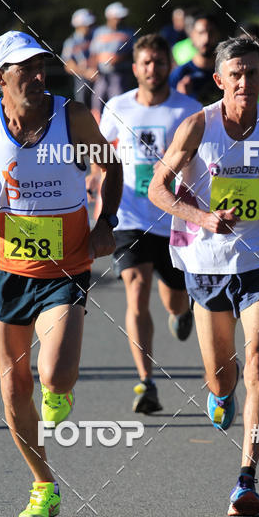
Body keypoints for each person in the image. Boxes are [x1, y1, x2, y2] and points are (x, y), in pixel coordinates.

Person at [149, 36, 259, 516]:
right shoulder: (197, 126)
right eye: (236, 74)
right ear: (219, 80)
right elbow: (157, 189)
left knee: (258, 362)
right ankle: (220, 393)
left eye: (252, 73)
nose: (245, 81)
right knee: (222, 376)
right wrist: (203, 218)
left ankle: (246, 480)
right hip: (206, 262)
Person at [0, 30, 123, 517]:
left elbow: (112, 167)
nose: (35, 74)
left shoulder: (72, 117)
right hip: (7, 269)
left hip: (65, 265)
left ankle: (60, 387)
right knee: (11, 388)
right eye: (23, 67)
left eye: (39, 65)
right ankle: (44, 485)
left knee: (55, 374)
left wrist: (105, 222)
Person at [100, 34, 201, 412]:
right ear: (135, 67)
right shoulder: (118, 107)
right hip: (130, 217)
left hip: (176, 219)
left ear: (168, 66)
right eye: (146, 62)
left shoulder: (188, 110)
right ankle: (146, 382)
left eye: (159, 62)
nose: (152, 69)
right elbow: (101, 159)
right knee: (136, 288)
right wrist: (99, 207)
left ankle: (182, 311)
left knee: (174, 298)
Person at [91, 2, 135, 117]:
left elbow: (136, 53)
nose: (120, 20)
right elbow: (93, 54)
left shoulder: (129, 32)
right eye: (117, 17)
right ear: (110, 17)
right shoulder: (99, 32)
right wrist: (93, 69)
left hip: (120, 75)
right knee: (97, 104)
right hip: (101, 75)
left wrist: (121, 57)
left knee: (118, 105)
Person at [168, 13, 221, 104]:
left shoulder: (227, 71)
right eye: (201, 33)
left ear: (218, 35)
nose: (206, 38)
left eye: (211, 32)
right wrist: (180, 99)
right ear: (192, 36)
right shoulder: (179, 75)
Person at [61, 8, 96, 109]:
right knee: (82, 108)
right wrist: (86, 73)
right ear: (78, 25)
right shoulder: (70, 42)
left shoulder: (96, 37)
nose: (89, 27)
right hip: (82, 82)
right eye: (86, 25)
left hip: (100, 80)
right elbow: (68, 66)